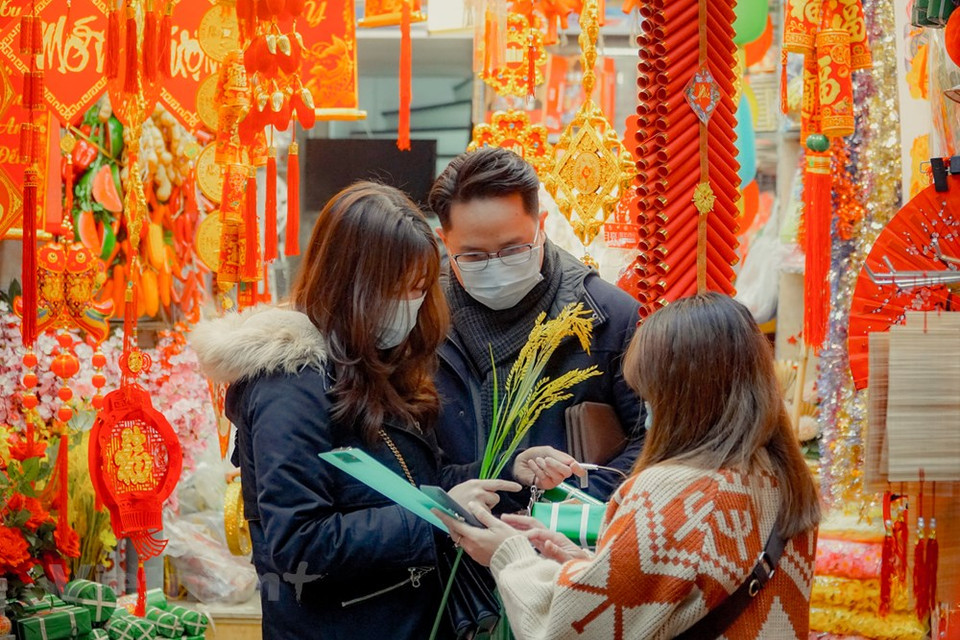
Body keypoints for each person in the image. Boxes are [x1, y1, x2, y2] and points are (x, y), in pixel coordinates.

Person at [192, 182, 582, 639]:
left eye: (418, 288)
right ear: (347, 283)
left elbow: (415, 480)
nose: (410, 304)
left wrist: (509, 474)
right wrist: (438, 516)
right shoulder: (289, 386)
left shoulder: (374, 362)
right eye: (395, 289)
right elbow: (299, 542)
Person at [438, 293, 822, 640]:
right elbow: (680, 595)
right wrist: (587, 566)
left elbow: (568, 630)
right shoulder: (779, 476)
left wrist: (510, 555)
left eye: (649, 396)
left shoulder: (670, 491)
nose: (647, 410)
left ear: (678, 397)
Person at [428, 147, 645, 500]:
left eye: (514, 250)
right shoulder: (423, 324)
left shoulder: (609, 317)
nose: (496, 267)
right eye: (473, 256)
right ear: (444, 241)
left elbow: (651, 440)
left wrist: (569, 505)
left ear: (541, 225)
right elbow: (411, 458)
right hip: (453, 528)